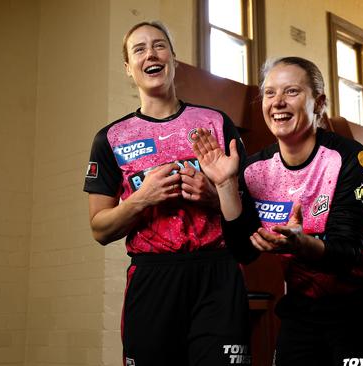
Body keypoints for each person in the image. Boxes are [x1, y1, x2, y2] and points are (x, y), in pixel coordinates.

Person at [193, 56, 363, 366]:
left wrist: (300, 243)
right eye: (269, 92)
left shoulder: (350, 158)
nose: (277, 102)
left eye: (291, 91)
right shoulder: (254, 169)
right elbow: (244, 250)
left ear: (319, 103)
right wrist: (226, 184)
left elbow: (348, 247)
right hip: (303, 307)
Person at [83, 21, 251, 366]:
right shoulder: (111, 138)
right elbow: (100, 229)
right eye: (139, 49)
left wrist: (212, 195)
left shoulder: (216, 123)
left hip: (216, 274)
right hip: (153, 278)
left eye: (159, 45)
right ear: (129, 69)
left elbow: (250, 214)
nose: (151, 54)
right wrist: (143, 198)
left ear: (173, 58)